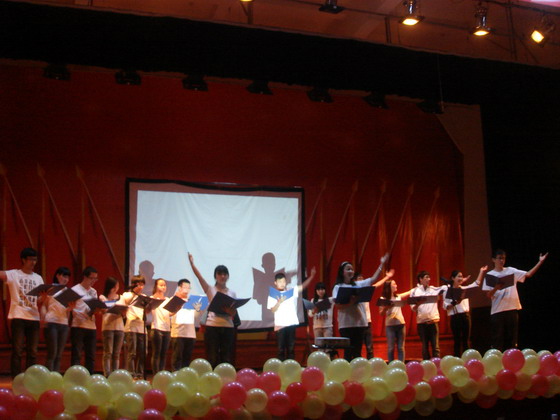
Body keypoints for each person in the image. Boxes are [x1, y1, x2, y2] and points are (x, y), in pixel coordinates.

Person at [482, 249, 548, 351]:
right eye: (499, 258)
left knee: (512, 339)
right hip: (497, 310)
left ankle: (512, 358)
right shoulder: (489, 275)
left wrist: (540, 262)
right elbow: (488, 295)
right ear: (493, 259)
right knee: (497, 339)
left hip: (512, 308)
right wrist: (496, 288)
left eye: (503, 258)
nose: (502, 261)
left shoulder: (510, 270)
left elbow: (528, 274)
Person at [333, 255, 393, 361]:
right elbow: (337, 306)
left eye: (352, 269)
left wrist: (382, 263)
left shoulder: (359, 284)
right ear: (342, 272)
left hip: (360, 323)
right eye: (348, 269)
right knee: (348, 353)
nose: (351, 271)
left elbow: (374, 279)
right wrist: (350, 303)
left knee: (357, 353)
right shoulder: (338, 287)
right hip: (346, 324)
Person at [0, 248, 45, 377]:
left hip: (34, 317)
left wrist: (44, 298)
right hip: (18, 316)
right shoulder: (14, 274)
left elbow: (39, 299)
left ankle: (30, 379)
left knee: (33, 352)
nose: (33, 262)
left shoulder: (38, 278)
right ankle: (16, 378)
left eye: (35, 259)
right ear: (23, 260)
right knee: (17, 350)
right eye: (30, 259)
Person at [189, 253, 237, 367]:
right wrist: (192, 264)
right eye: (220, 274)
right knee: (212, 356)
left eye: (225, 274)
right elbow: (199, 278)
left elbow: (234, 312)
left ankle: (225, 377)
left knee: (226, 357)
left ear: (228, 276)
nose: (222, 276)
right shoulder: (210, 289)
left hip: (228, 327)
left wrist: (230, 311)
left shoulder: (232, 293)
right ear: (215, 276)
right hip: (212, 326)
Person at [268, 267, 316, 361]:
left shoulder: (290, 291)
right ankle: (281, 368)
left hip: (291, 323)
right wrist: (279, 302)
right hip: (280, 325)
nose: (282, 283)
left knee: (291, 349)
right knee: (281, 349)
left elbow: (303, 286)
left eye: (283, 281)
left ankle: (291, 367)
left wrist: (312, 276)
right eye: (280, 282)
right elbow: (273, 310)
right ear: (275, 283)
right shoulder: (273, 294)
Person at [443, 268, 485, 357]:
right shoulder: (448, 291)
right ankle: (457, 358)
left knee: (466, 340)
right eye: (458, 276)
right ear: (453, 278)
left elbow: (476, 283)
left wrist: (481, 271)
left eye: (461, 276)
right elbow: (445, 306)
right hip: (455, 317)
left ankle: (467, 358)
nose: (461, 278)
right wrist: (455, 302)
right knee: (457, 340)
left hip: (465, 316)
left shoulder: (464, 289)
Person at [41, 266, 74, 372]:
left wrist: (70, 309)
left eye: (67, 277)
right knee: (52, 353)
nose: (66, 279)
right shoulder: (51, 289)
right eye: (64, 276)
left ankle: (56, 376)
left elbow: (67, 310)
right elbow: (44, 305)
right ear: (58, 276)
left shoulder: (67, 292)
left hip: (63, 323)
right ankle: (48, 377)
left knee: (59, 354)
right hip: (51, 322)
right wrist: (43, 320)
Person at [410, 271, 445, 360]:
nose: (428, 279)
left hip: (433, 322)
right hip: (422, 323)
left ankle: (437, 364)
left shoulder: (433, 289)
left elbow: (445, 288)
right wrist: (419, 303)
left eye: (429, 277)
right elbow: (413, 308)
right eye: (426, 277)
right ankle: (426, 365)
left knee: (435, 347)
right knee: (425, 347)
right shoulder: (414, 291)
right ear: (420, 279)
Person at [70, 266, 100, 373]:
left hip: (91, 325)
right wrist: (76, 313)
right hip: (78, 325)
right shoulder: (75, 289)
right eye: (92, 278)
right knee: (77, 354)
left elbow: (94, 307)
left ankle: (89, 376)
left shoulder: (93, 291)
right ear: (85, 277)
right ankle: (75, 376)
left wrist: (97, 310)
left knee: (91, 355)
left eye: (95, 279)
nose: (93, 281)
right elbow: (71, 307)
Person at [170, 279, 202, 370]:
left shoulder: (191, 301)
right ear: (179, 288)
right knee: (177, 357)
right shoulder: (174, 299)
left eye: (189, 288)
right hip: (178, 333)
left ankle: (185, 375)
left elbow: (195, 317)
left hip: (190, 334)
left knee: (187, 359)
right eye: (185, 287)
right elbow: (169, 314)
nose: (187, 290)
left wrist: (198, 309)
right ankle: (176, 375)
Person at [379, 278, 411, 362]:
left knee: (401, 347)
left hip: (401, 324)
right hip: (390, 326)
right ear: (389, 287)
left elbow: (408, 293)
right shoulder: (383, 299)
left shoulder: (398, 297)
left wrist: (414, 289)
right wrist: (386, 308)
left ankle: (401, 365)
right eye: (394, 284)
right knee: (391, 348)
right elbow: (381, 313)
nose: (396, 286)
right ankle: (391, 365)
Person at [122, 275, 147, 379]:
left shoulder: (144, 297)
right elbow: (125, 304)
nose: (141, 286)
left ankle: (140, 374)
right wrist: (135, 293)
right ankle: (131, 374)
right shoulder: (127, 295)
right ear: (133, 284)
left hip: (142, 326)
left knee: (143, 352)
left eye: (142, 284)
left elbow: (146, 311)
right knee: (132, 352)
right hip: (131, 327)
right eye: (138, 284)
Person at [99, 276, 125, 377]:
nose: (116, 288)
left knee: (116, 353)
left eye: (117, 286)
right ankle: (107, 374)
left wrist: (123, 312)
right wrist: (111, 299)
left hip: (119, 327)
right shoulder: (102, 297)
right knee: (108, 352)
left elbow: (124, 313)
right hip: (108, 327)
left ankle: (115, 374)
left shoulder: (121, 298)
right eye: (114, 286)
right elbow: (103, 311)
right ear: (110, 287)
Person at [150, 278, 171, 373]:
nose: (163, 287)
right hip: (156, 328)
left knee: (164, 354)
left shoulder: (167, 300)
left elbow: (170, 313)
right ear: (156, 286)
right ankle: (156, 374)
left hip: (167, 329)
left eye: (164, 285)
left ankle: (161, 373)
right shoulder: (152, 298)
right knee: (156, 353)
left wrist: (177, 308)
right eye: (161, 285)